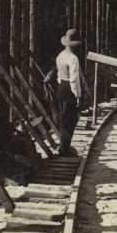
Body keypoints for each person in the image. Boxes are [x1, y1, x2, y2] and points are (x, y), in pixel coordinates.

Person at [44, 29, 83, 157]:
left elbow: (59, 76)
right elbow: (74, 79)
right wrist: (77, 95)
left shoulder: (60, 55)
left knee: (63, 118)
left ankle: (63, 146)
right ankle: (64, 149)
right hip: (69, 88)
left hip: (61, 87)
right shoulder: (73, 58)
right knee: (69, 120)